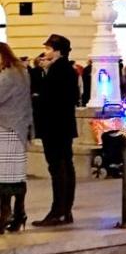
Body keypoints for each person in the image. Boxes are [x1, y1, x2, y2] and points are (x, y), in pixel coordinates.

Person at [31, 33, 81, 227]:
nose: (45, 52)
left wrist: (37, 96)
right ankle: (65, 210)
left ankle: (58, 211)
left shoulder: (58, 71)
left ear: (58, 51)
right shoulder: (66, 69)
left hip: (54, 126)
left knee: (58, 167)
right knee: (66, 165)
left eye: (49, 48)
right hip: (63, 126)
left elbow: (49, 98)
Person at [0, 43, 32, 232]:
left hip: (7, 128)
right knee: (16, 175)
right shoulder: (21, 72)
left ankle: (4, 215)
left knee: (4, 176)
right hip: (19, 128)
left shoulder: (7, 76)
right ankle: (19, 213)